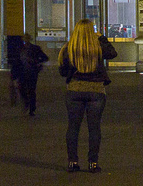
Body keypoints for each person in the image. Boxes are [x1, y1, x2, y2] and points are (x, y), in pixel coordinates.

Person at [58, 19, 117, 173]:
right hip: (96, 91)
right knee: (94, 128)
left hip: (75, 90)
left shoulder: (68, 48)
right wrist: (101, 37)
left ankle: (72, 162)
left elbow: (63, 71)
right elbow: (112, 53)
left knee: (73, 127)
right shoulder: (97, 46)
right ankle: (93, 163)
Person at [18, 33, 48, 115]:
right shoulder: (20, 49)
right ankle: (27, 103)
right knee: (22, 89)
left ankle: (31, 108)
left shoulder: (35, 48)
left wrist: (36, 62)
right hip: (23, 72)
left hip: (32, 72)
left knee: (31, 90)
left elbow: (45, 57)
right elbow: (17, 62)